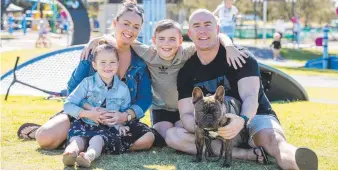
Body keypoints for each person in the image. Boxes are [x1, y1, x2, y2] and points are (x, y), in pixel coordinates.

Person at [165, 9, 318, 170]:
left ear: (217, 29)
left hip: (254, 116)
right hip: (216, 125)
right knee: (174, 136)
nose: (202, 30)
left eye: (208, 25)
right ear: (190, 32)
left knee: (274, 142)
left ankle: (298, 161)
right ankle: (246, 154)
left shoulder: (240, 56)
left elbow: (250, 96)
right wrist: (207, 128)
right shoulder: (186, 71)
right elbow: (186, 114)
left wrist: (242, 120)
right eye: (196, 26)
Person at [80, 19, 248, 144]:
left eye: (172, 39)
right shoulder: (148, 53)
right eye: (161, 39)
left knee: (184, 129)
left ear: (180, 41)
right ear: (154, 41)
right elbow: (121, 37)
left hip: (186, 108)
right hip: (161, 108)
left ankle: (216, 142)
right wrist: (95, 40)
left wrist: (230, 46)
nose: (166, 44)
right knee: (165, 136)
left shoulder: (186, 52)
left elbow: (216, 37)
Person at [17, 3, 155, 153]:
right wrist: (89, 111)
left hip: (116, 121)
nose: (130, 30)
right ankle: (45, 132)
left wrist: (125, 116)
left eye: (136, 26)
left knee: (146, 140)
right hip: (83, 116)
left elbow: (145, 98)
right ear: (115, 23)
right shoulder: (94, 51)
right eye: (126, 24)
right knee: (45, 138)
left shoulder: (140, 61)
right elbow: (72, 88)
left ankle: (90, 142)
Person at [63, 40, 133, 167]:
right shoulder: (87, 83)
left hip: (107, 128)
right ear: (94, 65)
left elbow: (124, 110)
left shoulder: (123, 89)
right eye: (103, 62)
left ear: (118, 64)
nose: (108, 66)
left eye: (112, 62)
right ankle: (71, 152)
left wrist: (121, 124)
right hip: (85, 122)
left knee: (98, 140)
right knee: (77, 139)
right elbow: (68, 105)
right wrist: (88, 114)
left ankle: (88, 157)